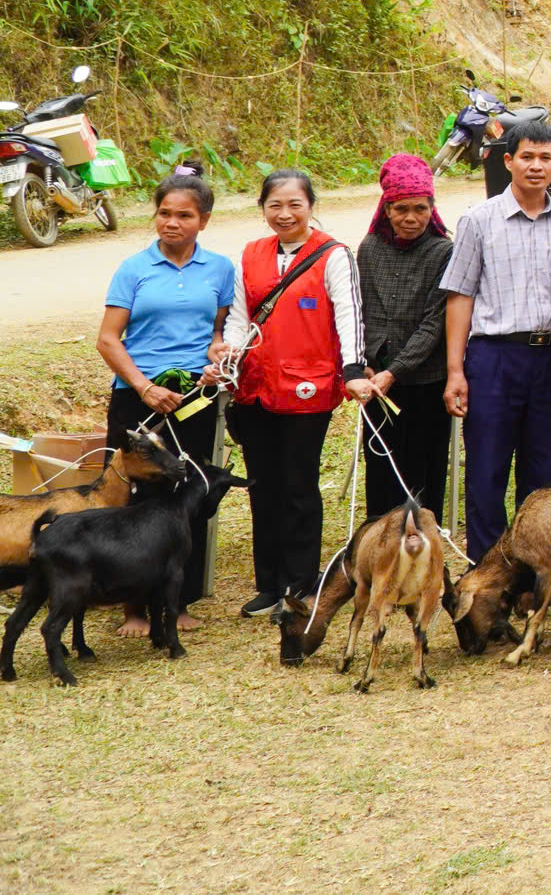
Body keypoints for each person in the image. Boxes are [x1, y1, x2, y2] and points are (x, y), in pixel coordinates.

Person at [226, 168, 370, 618]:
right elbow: (238, 317)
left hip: (308, 389)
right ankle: (268, 584)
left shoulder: (334, 256)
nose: (284, 213)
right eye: (275, 205)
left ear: (311, 206)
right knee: (261, 487)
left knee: (299, 486)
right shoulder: (250, 255)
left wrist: (353, 371)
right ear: (262, 208)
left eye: (295, 204)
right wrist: (229, 359)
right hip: (255, 388)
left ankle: (300, 583)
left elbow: (349, 315)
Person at [96, 172, 235, 630]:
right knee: (135, 500)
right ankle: (134, 606)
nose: (171, 223)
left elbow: (217, 332)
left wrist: (217, 357)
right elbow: (108, 340)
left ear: (204, 220)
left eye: (184, 215)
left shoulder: (219, 269)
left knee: (184, 498)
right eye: (164, 213)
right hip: (139, 399)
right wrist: (144, 388)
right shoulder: (133, 269)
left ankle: (178, 603)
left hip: (194, 398)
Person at [442, 118, 551, 561]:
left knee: (542, 475)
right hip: (493, 359)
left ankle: (535, 572)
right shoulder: (479, 221)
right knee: (486, 471)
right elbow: (460, 296)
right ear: (508, 161)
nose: (536, 166)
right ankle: (488, 574)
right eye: (526, 157)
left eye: (545, 158)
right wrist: (456, 370)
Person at [354, 154, 454, 520]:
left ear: (432, 208)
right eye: (401, 209)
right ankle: (379, 553)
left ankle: (424, 556)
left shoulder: (444, 252)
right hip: (377, 383)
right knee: (381, 469)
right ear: (387, 208)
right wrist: (363, 362)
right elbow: (360, 309)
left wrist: (394, 371)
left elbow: (434, 324)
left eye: (420, 209)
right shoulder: (369, 249)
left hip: (425, 381)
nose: (411, 218)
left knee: (423, 471)